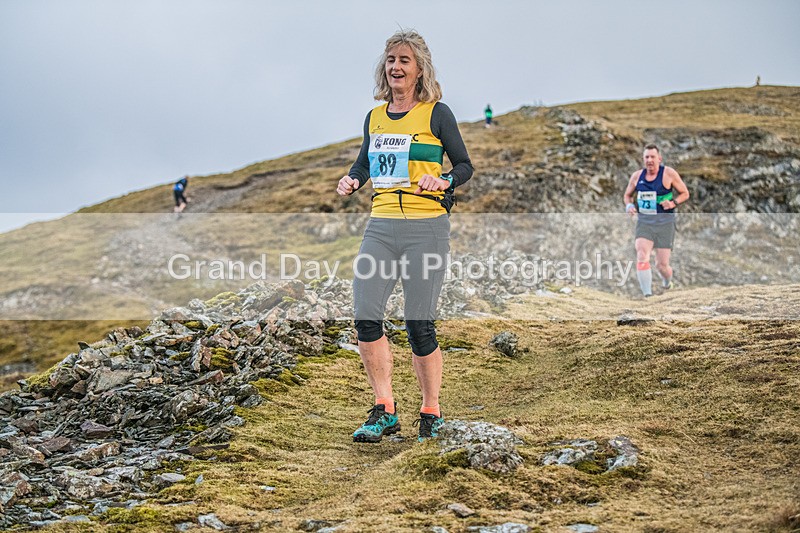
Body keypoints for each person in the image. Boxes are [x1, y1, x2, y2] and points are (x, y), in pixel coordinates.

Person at [337, 30, 473, 443]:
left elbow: (465, 166)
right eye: (391, 59)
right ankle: (384, 409)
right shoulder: (375, 117)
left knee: (419, 325)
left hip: (425, 228)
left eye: (404, 61)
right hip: (380, 227)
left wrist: (444, 179)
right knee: (365, 316)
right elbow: (364, 163)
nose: (395, 66)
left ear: (419, 70)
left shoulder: (437, 114)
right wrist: (352, 179)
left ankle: (431, 411)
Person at [624, 144, 689, 297]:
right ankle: (647, 295)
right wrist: (629, 206)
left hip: (665, 224)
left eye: (653, 157)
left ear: (659, 158)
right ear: (643, 159)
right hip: (645, 223)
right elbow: (627, 195)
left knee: (662, 265)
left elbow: (685, 193)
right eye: (646, 157)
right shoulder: (636, 177)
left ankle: (667, 283)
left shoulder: (669, 174)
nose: (649, 160)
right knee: (641, 254)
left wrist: (673, 203)